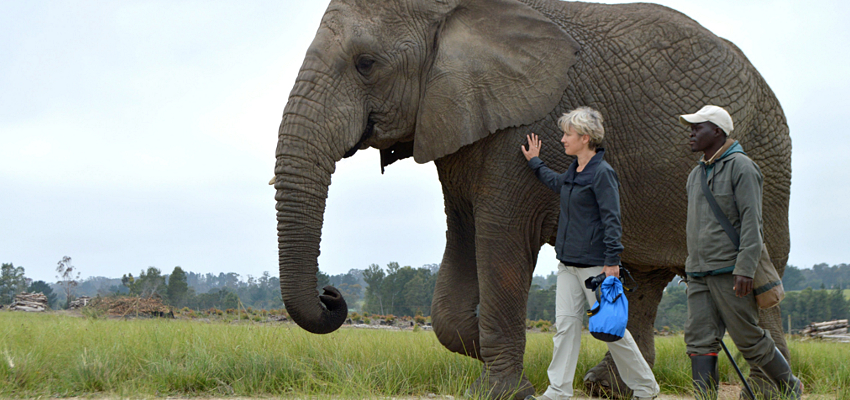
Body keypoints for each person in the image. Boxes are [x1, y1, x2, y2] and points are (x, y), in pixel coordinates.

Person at [521, 107, 659, 400]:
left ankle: (647, 388)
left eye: (567, 134)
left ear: (585, 138)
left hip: (596, 269)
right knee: (565, 330)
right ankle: (558, 391)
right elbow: (557, 184)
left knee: (613, 332)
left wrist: (612, 262)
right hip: (567, 265)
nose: (562, 139)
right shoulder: (575, 171)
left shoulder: (603, 174)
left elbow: (613, 221)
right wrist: (535, 163)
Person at [680, 105, 803, 400]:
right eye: (692, 127)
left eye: (698, 127)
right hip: (698, 273)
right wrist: (690, 266)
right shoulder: (695, 175)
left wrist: (745, 268)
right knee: (698, 340)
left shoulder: (743, 167)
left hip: (731, 271)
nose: (692, 132)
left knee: (749, 338)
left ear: (718, 132)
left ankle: (789, 387)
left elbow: (752, 223)